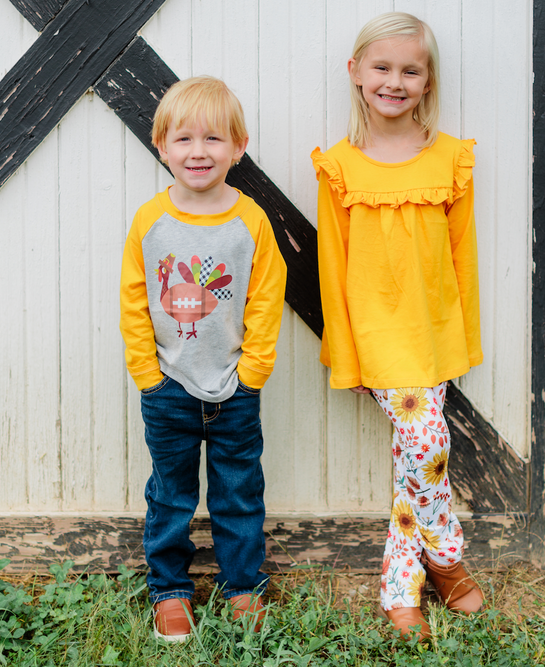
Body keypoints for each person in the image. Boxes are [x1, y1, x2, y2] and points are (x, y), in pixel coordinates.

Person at [311, 12, 484, 642]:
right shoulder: (339, 167)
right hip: (378, 334)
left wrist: (464, 336)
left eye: (411, 69)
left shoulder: (450, 159)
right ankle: (434, 565)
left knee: (416, 455)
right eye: (382, 67)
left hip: (433, 330)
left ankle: (421, 577)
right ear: (356, 73)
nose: (395, 81)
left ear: (428, 79)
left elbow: (463, 259)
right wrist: (347, 354)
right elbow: (332, 269)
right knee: (428, 446)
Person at [120, 76, 286, 642]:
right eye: (183, 139)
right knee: (171, 493)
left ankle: (242, 587)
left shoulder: (251, 222)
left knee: (239, 490)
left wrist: (253, 372)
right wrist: (148, 373)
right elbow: (134, 300)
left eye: (213, 139)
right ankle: (170, 590)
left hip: (235, 389)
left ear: (238, 148)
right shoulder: (151, 222)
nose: (198, 151)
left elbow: (267, 298)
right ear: (161, 146)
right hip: (168, 386)